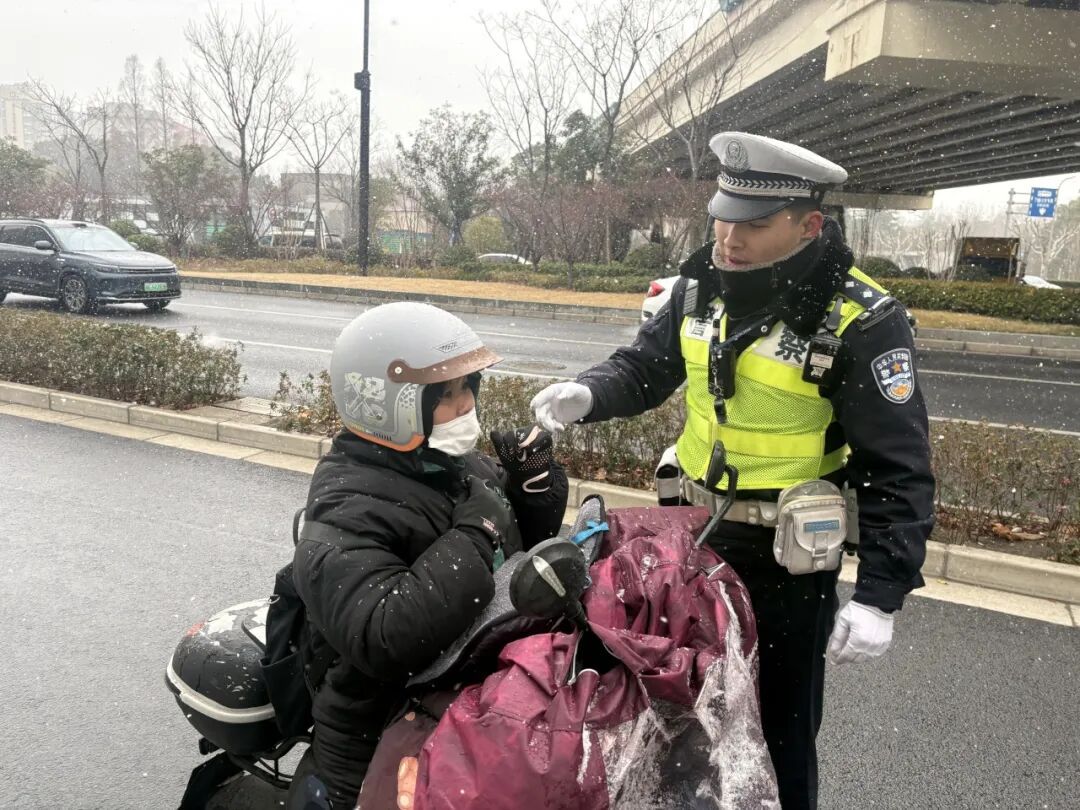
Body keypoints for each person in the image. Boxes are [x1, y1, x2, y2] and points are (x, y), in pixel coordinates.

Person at [530, 132, 935, 809]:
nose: (728, 236)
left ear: (809, 225)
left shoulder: (859, 319)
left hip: (787, 564)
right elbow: (646, 367)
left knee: (777, 734)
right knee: (674, 713)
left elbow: (897, 464)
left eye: (751, 224)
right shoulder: (699, 289)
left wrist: (881, 595)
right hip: (692, 543)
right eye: (722, 215)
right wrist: (591, 392)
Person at [287, 301, 568, 808]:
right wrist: (475, 531)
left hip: (468, 700)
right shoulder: (347, 504)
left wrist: (533, 486)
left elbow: (516, 562)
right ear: (387, 405)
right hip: (378, 735)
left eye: (467, 389)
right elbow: (386, 635)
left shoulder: (451, 465)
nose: (464, 406)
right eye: (445, 395)